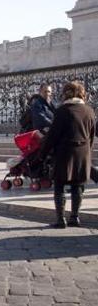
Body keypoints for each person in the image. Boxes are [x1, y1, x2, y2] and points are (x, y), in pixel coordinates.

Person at [39, 82, 95, 228]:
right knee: (78, 185)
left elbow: (52, 136)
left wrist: (42, 154)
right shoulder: (89, 111)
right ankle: (75, 217)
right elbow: (91, 135)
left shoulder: (62, 111)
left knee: (59, 185)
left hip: (64, 153)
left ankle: (60, 219)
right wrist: (87, 152)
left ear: (66, 94)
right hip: (83, 153)